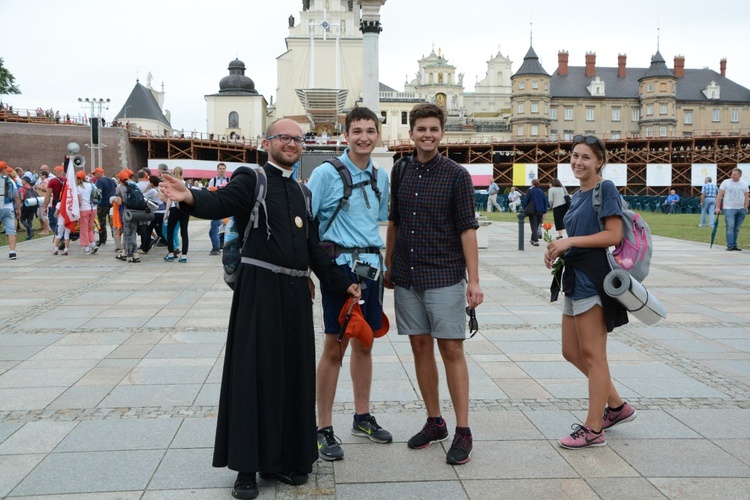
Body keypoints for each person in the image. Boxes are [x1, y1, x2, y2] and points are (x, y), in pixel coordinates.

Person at [160, 118, 360, 500]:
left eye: (298, 140)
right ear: (267, 141)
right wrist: (190, 197)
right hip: (259, 290)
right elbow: (221, 203)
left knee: (291, 374)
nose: (292, 144)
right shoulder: (251, 179)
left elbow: (312, 247)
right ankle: (246, 468)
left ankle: (284, 460)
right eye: (284, 137)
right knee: (253, 373)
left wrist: (341, 279)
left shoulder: (302, 192)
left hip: (296, 292)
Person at [384, 103, 483, 465]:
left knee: (452, 351)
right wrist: (389, 262)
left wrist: (474, 281)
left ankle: (463, 430)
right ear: (410, 133)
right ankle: (434, 421)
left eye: (433, 129)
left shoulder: (456, 175)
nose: (427, 135)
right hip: (407, 276)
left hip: (443, 274)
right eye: (421, 129)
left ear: (442, 134)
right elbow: (394, 221)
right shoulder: (400, 171)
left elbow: (467, 229)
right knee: (420, 348)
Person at [307, 107, 392, 462]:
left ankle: (362, 415)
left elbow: (379, 223)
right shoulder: (325, 174)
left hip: (372, 268)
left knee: (366, 343)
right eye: (357, 131)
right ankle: (322, 427)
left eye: (370, 131)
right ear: (345, 135)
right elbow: (308, 228)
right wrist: (314, 275)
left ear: (378, 135)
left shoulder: (380, 176)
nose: (363, 137)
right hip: (340, 271)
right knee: (334, 347)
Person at [543, 134, 634, 450]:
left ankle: (594, 427)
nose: (578, 162)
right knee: (571, 351)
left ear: (599, 162)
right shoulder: (578, 194)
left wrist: (570, 242)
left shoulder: (604, 189)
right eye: (574, 156)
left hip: (594, 281)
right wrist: (557, 248)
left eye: (585, 157)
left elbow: (612, 234)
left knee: (595, 356)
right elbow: (577, 234)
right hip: (574, 279)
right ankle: (616, 406)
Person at [715, 168, 749, 251]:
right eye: (732, 174)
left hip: (741, 209)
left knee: (736, 228)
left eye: (735, 174)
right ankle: (730, 245)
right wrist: (717, 207)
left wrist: (745, 208)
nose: (732, 176)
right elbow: (719, 195)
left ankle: (734, 244)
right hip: (729, 208)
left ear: (740, 175)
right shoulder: (726, 182)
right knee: (730, 227)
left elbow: (746, 196)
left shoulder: (744, 184)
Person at [163, 166, 191, 263]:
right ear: (182, 173)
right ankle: (184, 255)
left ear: (174, 173)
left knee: (170, 231)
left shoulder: (172, 184)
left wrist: (166, 212)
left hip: (175, 209)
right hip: (185, 210)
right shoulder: (186, 184)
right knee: (184, 232)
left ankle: (171, 253)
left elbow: (170, 199)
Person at [113, 170, 140, 263]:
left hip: (126, 212)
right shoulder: (134, 185)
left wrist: (114, 199)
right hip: (135, 212)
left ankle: (135, 255)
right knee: (131, 233)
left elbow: (119, 202)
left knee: (129, 234)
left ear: (119, 179)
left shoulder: (120, 188)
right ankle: (124, 253)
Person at [207, 162, 230, 255]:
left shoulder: (229, 180)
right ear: (217, 170)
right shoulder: (213, 180)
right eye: (220, 168)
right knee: (212, 230)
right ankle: (217, 246)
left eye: (223, 168)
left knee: (214, 227)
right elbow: (209, 192)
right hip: (216, 207)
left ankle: (216, 248)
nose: (222, 170)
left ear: (225, 170)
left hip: (225, 207)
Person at [93, 168, 117, 249]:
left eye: (95, 174)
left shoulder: (100, 181)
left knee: (102, 222)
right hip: (112, 203)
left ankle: (103, 239)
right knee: (112, 221)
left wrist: (95, 200)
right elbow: (115, 189)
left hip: (103, 204)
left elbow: (98, 192)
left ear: (99, 173)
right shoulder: (111, 180)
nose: (94, 176)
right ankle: (116, 237)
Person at [75, 170, 98, 255]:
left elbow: (80, 201)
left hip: (84, 209)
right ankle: (93, 244)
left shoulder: (78, 187)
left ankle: (86, 247)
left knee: (83, 229)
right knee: (90, 227)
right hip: (93, 208)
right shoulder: (92, 185)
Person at [1, 162, 20, 259]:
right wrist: (18, 209)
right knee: (11, 231)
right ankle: (12, 252)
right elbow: (16, 196)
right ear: (4, 169)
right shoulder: (11, 181)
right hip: (9, 207)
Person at [523, 178, 548, 246]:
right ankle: (532, 239)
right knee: (536, 225)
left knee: (533, 226)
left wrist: (524, 208)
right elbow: (545, 202)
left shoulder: (530, 190)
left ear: (532, 183)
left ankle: (536, 240)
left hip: (533, 210)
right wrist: (545, 212)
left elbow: (526, 200)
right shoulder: (541, 191)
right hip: (540, 210)